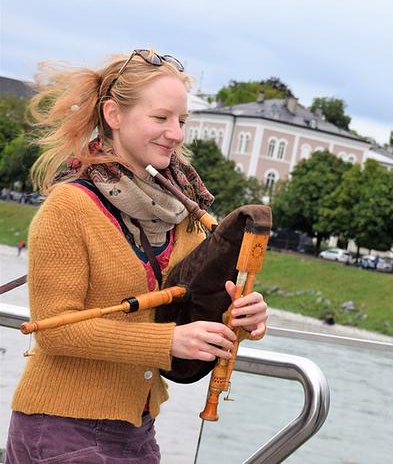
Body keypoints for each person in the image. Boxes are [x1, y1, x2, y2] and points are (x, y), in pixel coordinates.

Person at [5, 49, 269, 463]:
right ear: (113, 115)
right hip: (61, 429)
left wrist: (243, 319)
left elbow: (191, 303)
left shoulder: (181, 209)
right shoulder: (68, 207)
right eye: (161, 118)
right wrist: (170, 340)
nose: (177, 133)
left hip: (138, 432)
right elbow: (54, 330)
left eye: (182, 121)